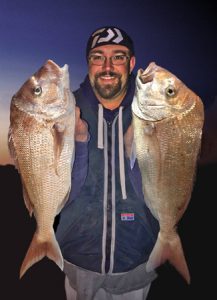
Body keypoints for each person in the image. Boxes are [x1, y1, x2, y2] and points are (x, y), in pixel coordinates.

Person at [55, 26, 159, 300]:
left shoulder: (153, 111)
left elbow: (162, 192)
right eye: (98, 57)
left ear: (132, 63)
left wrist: (133, 153)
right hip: (79, 259)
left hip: (136, 258)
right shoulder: (65, 109)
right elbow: (59, 193)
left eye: (119, 57)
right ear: (88, 63)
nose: (108, 66)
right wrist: (78, 140)